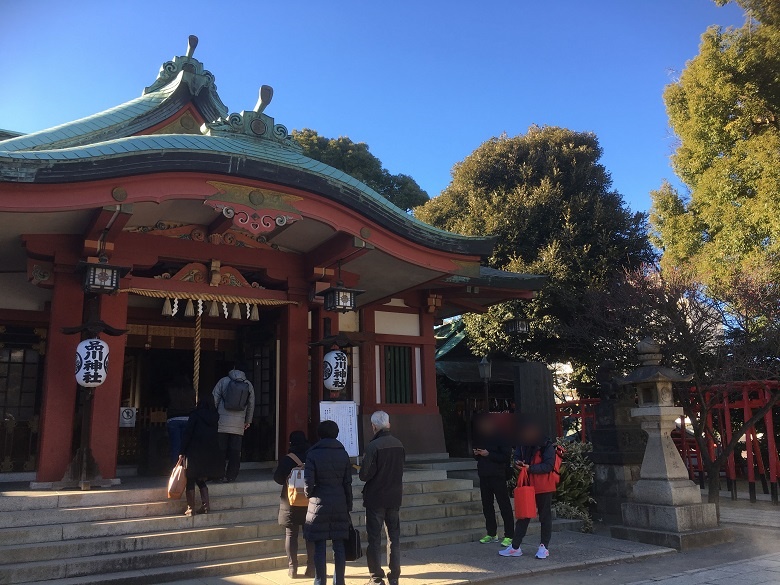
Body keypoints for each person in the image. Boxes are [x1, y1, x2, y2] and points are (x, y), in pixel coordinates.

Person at [304, 420, 353, 585]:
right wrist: (349, 504)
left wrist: (309, 494)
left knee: (319, 546)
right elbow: (348, 483)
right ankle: (339, 581)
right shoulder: (343, 453)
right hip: (339, 501)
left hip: (319, 501)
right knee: (339, 546)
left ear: (320, 434)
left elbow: (308, 483)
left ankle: (319, 581)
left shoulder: (312, 454)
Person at [499, 418, 556, 559]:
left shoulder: (546, 444)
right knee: (523, 515)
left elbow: (549, 466)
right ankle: (515, 546)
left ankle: (544, 546)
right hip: (528, 484)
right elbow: (517, 456)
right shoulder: (522, 443)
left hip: (543, 485)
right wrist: (518, 463)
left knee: (545, 516)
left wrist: (531, 468)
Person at [359, 411, 405, 585]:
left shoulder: (373, 446)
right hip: (394, 496)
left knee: (374, 538)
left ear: (374, 426)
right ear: (389, 425)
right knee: (394, 538)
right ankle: (394, 576)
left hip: (376, 497)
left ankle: (376, 577)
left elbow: (365, 475)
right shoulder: (399, 444)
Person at [273, 430, 315, 579]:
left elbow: (278, 478)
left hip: (290, 500)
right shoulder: (312, 456)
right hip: (310, 500)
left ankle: (292, 568)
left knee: (291, 534)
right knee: (310, 536)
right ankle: (311, 568)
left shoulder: (287, 459)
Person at [473, 414, 514, 547]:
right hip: (484, 474)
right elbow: (477, 457)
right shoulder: (482, 436)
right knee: (487, 505)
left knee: (504, 505)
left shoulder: (502, 436)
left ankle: (509, 535)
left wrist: (489, 454)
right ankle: (491, 533)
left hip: (498, 474)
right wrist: (477, 453)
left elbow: (505, 456)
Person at [179, 396, 222, 516]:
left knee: (191, 479)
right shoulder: (215, 417)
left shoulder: (195, 415)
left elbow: (188, 433)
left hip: (193, 451)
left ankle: (191, 508)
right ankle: (206, 506)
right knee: (201, 479)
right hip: (208, 453)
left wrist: (182, 451)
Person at [212, 363, 255, 482]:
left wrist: (214, 416)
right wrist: (248, 421)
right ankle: (231, 475)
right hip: (238, 424)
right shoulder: (248, 384)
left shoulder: (223, 381)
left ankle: (218, 474)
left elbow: (214, 399)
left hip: (222, 422)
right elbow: (251, 404)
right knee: (235, 451)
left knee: (221, 450)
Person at [165, 375, 196, 465]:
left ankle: (176, 468)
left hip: (173, 418)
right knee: (187, 446)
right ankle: (187, 467)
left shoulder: (171, 391)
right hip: (188, 418)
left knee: (175, 446)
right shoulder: (191, 391)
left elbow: (166, 403)